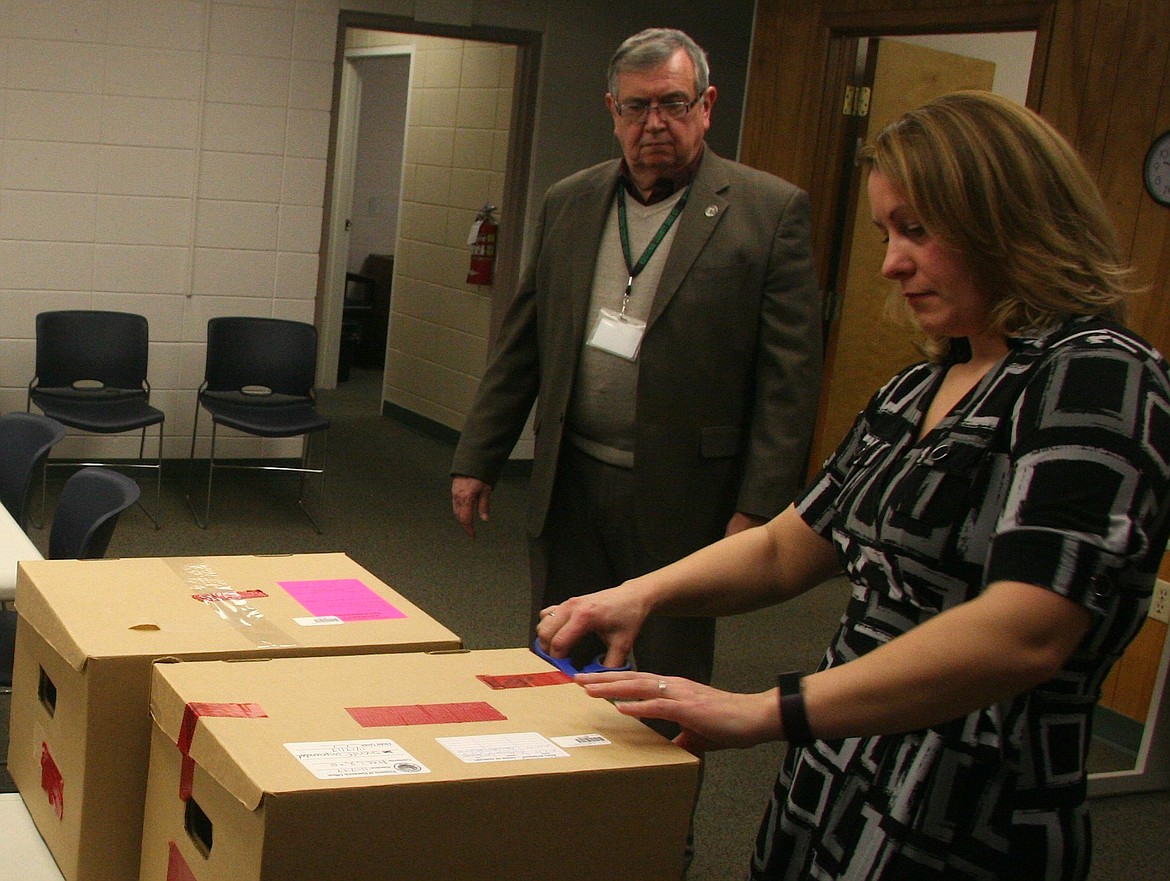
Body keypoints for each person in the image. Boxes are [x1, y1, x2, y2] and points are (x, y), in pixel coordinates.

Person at [537, 90, 1170, 880]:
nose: (890, 262)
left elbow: (1025, 630)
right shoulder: (919, 388)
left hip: (966, 807)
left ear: (1007, 219)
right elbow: (785, 547)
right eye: (885, 232)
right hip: (840, 774)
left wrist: (765, 711)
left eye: (917, 230)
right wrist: (639, 593)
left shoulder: (1096, 375)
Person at [450, 27, 822, 713]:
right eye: (636, 107)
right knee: (564, 656)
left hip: (687, 496)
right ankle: (554, 794)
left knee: (668, 674)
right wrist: (479, 455)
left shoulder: (768, 212)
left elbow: (788, 380)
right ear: (612, 110)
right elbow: (523, 341)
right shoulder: (571, 200)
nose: (655, 123)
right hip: (572, 481)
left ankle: (657, 817)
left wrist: (758, 509)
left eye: (674, 104)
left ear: (707, 106)